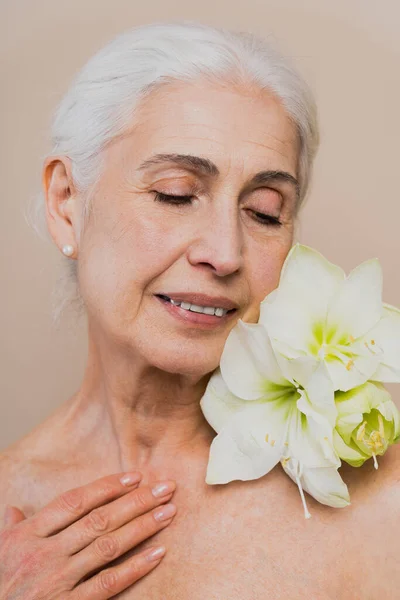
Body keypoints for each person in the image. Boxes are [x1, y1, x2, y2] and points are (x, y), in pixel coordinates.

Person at [0, 20, 398, 599]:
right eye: (175, 194)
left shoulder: (379, 505)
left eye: (264, 211)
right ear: (67, 203)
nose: (225, 252)